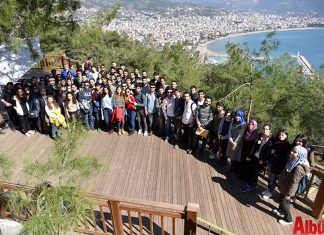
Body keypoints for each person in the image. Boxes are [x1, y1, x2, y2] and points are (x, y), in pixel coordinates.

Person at [273, 143, 310, 225]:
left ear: (300, 154)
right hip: (285, 185)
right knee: (282, 199)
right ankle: (281, 211)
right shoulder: (293, 160)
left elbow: (295, 182)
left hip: (288, 188)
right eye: (292, 150)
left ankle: (288, 219)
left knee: (282, 200)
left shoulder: (299, 167)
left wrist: (289, 194)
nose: (291, 152)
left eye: (295, 152)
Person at [241, 123, 273, 192]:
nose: (264, 130)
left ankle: (249, 185)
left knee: (255, 172)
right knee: (251, 170)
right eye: (264, 129)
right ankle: (254, 184)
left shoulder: (271, 140)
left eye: (266, 129)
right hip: (255, 156)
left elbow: (269, 152)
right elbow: (254, 146)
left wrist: (263, 160)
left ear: (270, 130)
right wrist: (250, 156)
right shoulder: (260, 136)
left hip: (262, 159)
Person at [261, 129, 291, 199]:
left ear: (286, 136)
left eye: (282, 135)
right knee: (270, 177)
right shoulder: (277, 142)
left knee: (272, 178)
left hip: (279, 165)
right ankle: (268, 190)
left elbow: (285, 156)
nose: (281, 136)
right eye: (280, 135)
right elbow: (272, 150)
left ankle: (270, 192)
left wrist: (275, 153)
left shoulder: (287, 145)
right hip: (272, 162)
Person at [226, 109, 247, 173]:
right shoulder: (233, 121)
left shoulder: (243, 124)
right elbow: (229, 130)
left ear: (241, 116)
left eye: (239, 116)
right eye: (236, 116)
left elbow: (240, 135)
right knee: (230, 154)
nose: (237, 117)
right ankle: (231, 168)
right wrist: (230, 138)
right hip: (231, 140)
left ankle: (234, 169)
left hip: (237, 142)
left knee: (235, 156)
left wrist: (235, 142)